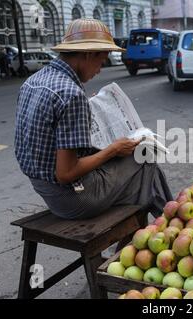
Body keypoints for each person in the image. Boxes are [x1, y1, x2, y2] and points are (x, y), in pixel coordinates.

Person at [14, 19, 173, 220]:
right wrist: (113, 150)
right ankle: (171, 221)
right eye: (101, 61)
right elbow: (66, 174)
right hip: (72, 197)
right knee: (146, 157)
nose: (100, 69)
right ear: (89, 54)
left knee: (144, 181)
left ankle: (158, 226)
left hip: (43, 188)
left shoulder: (34, 81)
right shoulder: (71, 94)